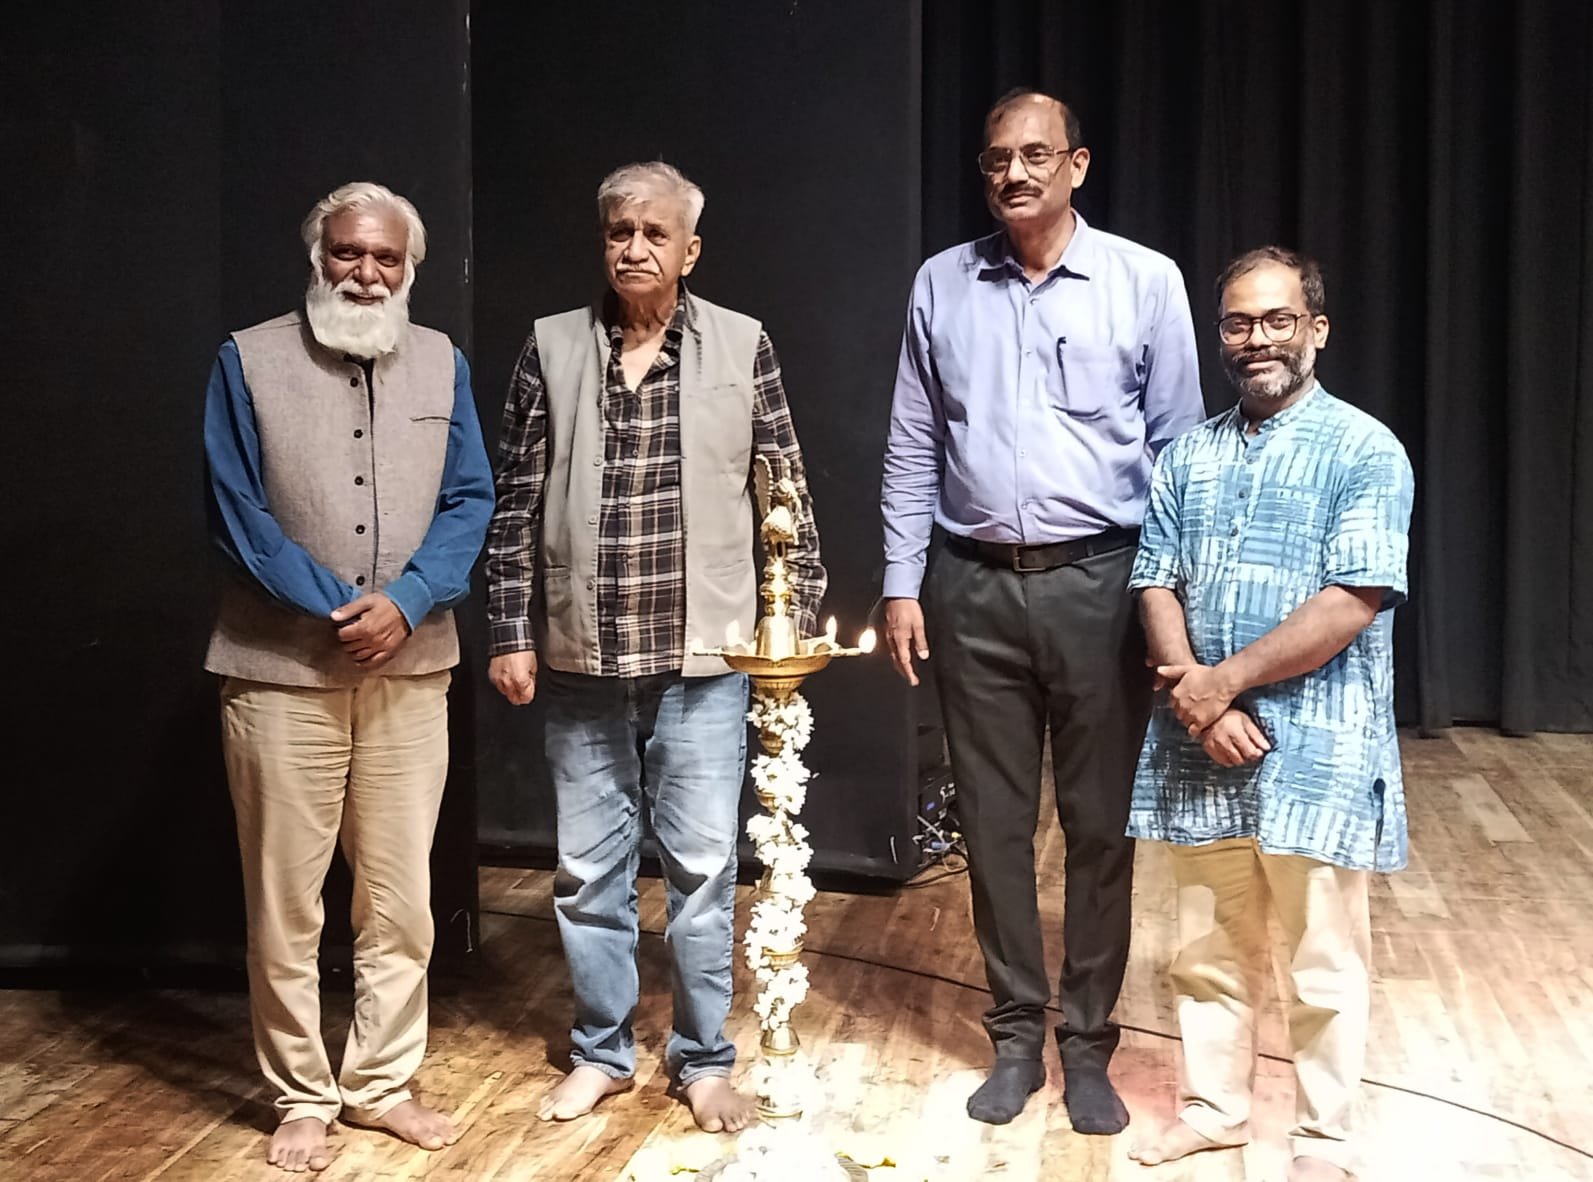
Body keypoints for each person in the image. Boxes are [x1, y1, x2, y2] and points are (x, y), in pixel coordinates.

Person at [880, 89, 1205, 1131]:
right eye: (996, 160)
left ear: (1077, 164)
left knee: (1100, 827)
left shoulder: (1145, 280)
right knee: (991, 823)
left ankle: (1090, 1042)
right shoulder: (942, 282)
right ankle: (1017, 1036)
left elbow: (1178, 454)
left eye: (1035, 155)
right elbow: (913, 441)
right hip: (971, 585)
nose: (1014, 174)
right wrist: (901, 581)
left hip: (1101, 582)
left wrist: (1168, 607)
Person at [483, 161, 826, 1134]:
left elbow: (786, 496)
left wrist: (792, 638)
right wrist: (509, 631)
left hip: (704, 665)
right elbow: (514, 503)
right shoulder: (551, 346)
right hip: (582, 661)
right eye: (618, 232)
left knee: (704, 874)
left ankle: (704, 1059)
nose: (634, 248)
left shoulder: (743, 345)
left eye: (654, 233)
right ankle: (601, 1052)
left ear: (690, 250)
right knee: (586, 875)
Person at [203, 181, 494, 1172]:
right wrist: (341, 609)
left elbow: (470, 498)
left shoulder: (442, 360)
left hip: (412, 670)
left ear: (408, 268)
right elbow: (238, 512)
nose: (365, 274)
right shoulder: (246, 358)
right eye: (347, 253)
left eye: (385, 258)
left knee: (400, 898)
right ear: (317, 257)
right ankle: (300, 1096)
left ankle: (379, 1084)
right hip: (280, 672)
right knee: (286, 904)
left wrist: (406, 602)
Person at [1125, 247, 1413, 1182]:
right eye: (1238, 323)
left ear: (1315, 330)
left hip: (1318, 750)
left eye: (1277, 320)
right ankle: (1213, 1112)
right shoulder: (1186, 455)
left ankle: (1325, 1139)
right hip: (1199, 747)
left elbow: (1351, 599)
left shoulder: (1364, 449)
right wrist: (1199, 701)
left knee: (1322, 961)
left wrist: (1218, 683)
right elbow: (1154, 580)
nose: (1256, 339)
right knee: (1203, 951)